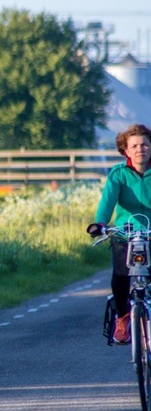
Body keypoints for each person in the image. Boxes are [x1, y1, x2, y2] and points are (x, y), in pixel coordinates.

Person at [90, 123, 151, 344]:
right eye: (134, 145)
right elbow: (107, 203)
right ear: (126, 150)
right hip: (126, 234)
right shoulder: (118, 174)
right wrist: (100, 224)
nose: (140, 149)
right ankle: (123, 317)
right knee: (120, 275)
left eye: (145, 144)